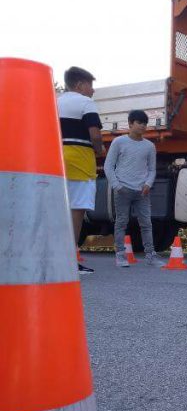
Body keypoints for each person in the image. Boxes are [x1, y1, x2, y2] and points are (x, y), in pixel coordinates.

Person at [103, 110, 165, 268]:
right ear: (130, 124)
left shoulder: (149, 146)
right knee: (121, 222)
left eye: (145, 123)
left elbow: (152, 169)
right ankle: (120, 255)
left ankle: (150, 255)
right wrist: (117, 186)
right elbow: (108, 166)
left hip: (142, 191)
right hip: (123, 189)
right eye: (139, 123)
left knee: (146, 223)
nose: (143, 126)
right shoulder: (119, 142)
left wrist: (148, 184)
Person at [58, 66, 105, 274]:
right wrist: (99, 149)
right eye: (90, 85)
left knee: (57, 210)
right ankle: (69, 261)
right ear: (79, 85)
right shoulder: (86, 103)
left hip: (56, 162)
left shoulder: (54, 102)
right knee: (76, 211)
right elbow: (94, 134)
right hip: (79, 161)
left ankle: (52, 259)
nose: (92, 91)